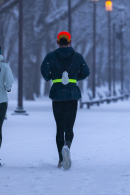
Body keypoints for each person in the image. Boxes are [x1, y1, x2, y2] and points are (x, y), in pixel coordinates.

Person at [40, 31, 90, 170]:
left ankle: (61, 160)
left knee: (59, 127)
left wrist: (51, 77)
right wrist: (74, 79)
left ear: (57, 42)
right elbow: (86, 72)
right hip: (72, 94)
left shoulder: (51, 56)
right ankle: (67, 145)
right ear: (69, 42)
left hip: (57, 94)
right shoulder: (78, 57)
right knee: (69, 127)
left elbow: (44, 72)